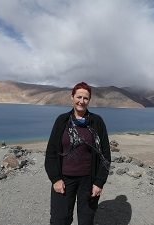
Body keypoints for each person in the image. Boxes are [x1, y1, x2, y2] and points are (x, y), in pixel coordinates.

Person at [44, 82, 111, 225]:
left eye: (85, 98)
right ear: (72, 97)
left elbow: (105, 155)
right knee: (59, 220)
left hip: (88, 181)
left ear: (89, 100)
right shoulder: (62, 121)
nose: (81, 101)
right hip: (64, 180)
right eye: (78, 97)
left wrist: (99, 182)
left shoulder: (97, 122)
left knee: (86, 220)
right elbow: (51, 153)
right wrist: (55, 179)